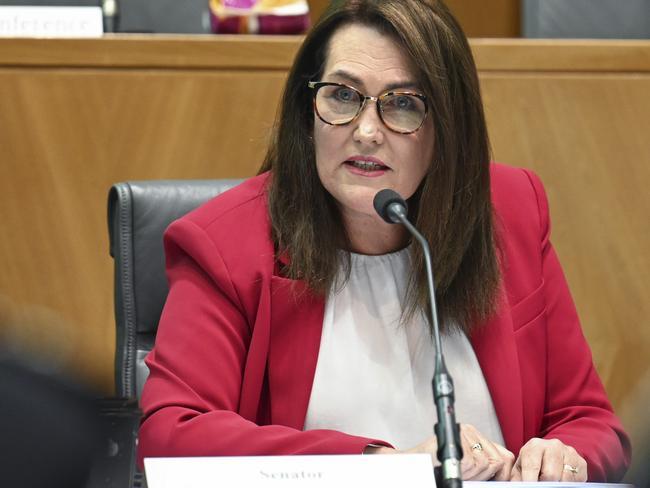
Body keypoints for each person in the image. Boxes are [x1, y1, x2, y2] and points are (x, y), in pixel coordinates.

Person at [137, 0, 630, 482]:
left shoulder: (511, 211)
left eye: (403, 104)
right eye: (343, 96)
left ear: (448, 128)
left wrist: (562, 457)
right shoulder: (227, 241)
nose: (367, 132)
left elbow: (589, 421)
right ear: (306, 111)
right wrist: (378, 465)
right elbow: (172, 435)